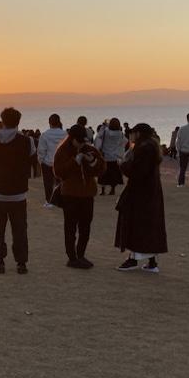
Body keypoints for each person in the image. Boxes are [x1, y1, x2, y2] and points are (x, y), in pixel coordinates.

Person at [0, 107, 35, 274]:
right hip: (18, 192)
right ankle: (21, 262)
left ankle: (0, 261)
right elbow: (31, 153)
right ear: (18, 122)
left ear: (2, 121)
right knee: (20, 228)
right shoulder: (27, 141)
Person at [115, 123, 168, 272]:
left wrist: (123, 165)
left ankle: (133, 260)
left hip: (140, 193)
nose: (130, 135)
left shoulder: (144, 149)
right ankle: (151, 261)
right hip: (149, 193)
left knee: (136, 225)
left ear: (139, 134)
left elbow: (138, 172)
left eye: (133, 133)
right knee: (148, 227)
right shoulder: (151, 147)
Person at [54, 125, 106, 268]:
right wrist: (74, 161)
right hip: (70, 195)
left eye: (84, 141)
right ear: (72, 139)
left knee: (85, 227)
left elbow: (101, 169)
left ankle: (81, 254)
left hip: (87, 195)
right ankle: (72, 257)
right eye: (79, 141)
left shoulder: (91, 150)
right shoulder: (63, 151)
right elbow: (58, 172)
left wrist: (92, 162)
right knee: (70, 228)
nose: (82, 144)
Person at [37, 114, 68, 207]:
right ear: (59, 122)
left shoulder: (44, 135)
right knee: (61, 182)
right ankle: (61, 200)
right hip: (61, 162)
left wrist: (40, 160)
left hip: (47, 162)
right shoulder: (65, 135)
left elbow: (41, 150)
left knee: (48, 183)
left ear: (49, 122)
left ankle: (49, 201)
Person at [94, 118, 125, 196]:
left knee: (103, 173)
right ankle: (112, 189)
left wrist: (103, 126)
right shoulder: (120, 133)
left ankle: (103, 190)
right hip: (114, 156)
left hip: (105, 155)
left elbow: (99, 136)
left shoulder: (105, 131)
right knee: (113, 173)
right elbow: (124, 142)